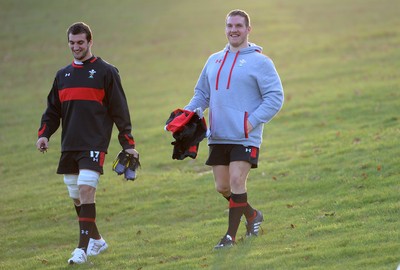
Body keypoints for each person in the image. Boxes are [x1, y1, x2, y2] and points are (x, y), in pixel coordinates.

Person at [36, 22, 139, 264]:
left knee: (86, 188)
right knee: (76, 195)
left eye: (80, 42)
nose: (76, 47)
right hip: (69, 143)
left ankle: (81, 250)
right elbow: (53, 110)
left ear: (90, 42)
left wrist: (128, 142)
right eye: (72, 43)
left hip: (94, 142)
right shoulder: (62, 75)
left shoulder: (106, 72)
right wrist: (44, 134)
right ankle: (98, 241)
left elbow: (119, 109)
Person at [183, 9, 284, 249]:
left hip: (246, 136)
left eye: (239, 26)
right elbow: (202, 94)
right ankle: (252, 215)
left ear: (248, 29)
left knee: (238, 180)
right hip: (218, 135)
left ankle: (229, 237)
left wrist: (251, 122)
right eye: (230, 26)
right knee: (223, 186)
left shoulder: (260, 62)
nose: (233, 30)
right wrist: (186, 115)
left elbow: (275, 97)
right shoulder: (213, 59)